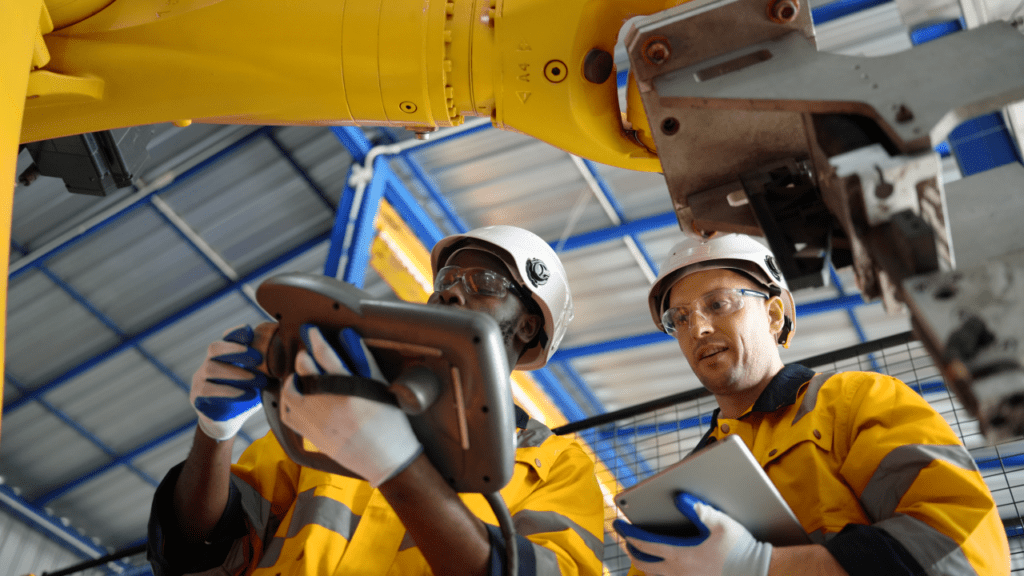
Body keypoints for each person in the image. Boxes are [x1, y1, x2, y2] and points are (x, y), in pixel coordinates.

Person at [147, 225, 605, 576]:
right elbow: (198, 550)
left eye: (484, 282)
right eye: (447, 278)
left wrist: (399, 467)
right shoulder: (329, 412)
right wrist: (214, 433)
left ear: (527, 325)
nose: (450, 290)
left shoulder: (556, 467)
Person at [613, 233, 1009, 576]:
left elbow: (964, 545)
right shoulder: (682, 489)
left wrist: (762, 566)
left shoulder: (854, 402)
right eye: (679, 319)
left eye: (718, 304)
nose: (697, 328)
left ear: (773, 314)